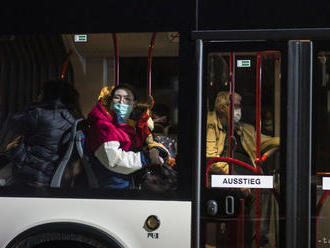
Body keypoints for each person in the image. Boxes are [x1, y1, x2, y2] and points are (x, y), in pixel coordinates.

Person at [206, 91, 280, 248]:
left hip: (247, 176)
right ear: (223, 108)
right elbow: (211, 160)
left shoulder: (245, 129)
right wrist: (237, 180)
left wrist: (286, 138)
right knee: (259, 192)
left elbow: (267, 142)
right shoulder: (210, 124)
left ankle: (261, 242)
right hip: (222, 176)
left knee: (266, 191)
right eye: (237, 105)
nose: (240, 109)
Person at [85, 84, 167, 189]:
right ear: (110, 101)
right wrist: (145, 158)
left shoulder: (124, 125)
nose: (121, 102)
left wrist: (154, 149)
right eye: (117, 98)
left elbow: (142, 142)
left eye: (127, 99)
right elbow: (113, 160)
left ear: (133, 104)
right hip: (113, 186)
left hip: (126, 179)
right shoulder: (103, 125)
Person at [7, 79, 83, 187]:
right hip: (52, 174)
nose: (39, 96)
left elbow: (13, 123)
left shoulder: (40, 113)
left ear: (48, 95)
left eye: (41, 93)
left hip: (31, 175)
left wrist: (34, 105)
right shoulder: (74, 116)